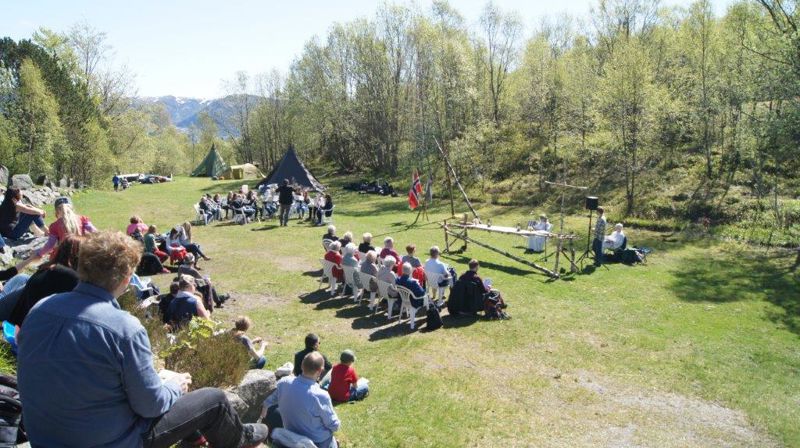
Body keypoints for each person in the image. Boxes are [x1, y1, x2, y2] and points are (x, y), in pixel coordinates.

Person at [17, 231, 268, 447]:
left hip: (45, 438)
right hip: (109, 442)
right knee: (214, 399)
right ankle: (241, 438)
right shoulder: (124, 328)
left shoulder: (40, 309)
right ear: (127, 278)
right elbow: (151, 406)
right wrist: (175, 385)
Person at [261, 352, 340, 448]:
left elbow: (267, 401)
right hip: (318, 442)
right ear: (320, 371)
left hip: (292, 436)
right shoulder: (321, 395)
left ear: (302, 366)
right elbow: (334, 426)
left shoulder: (284, 383)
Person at [8, 236, 82, 327]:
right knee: (22, 278)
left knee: (22, 278)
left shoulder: (48, 271)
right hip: (31, 326)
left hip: (18, 322)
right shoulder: (74, 281)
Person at [30, 197, 96, 260]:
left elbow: (50, 245)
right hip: (82, 255)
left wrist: (38, 253)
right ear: (72, 208)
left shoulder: (54, 226)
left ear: (56, 212)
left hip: (64, 258)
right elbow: (94, 232)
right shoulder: (83, 219)